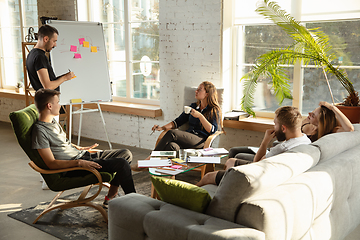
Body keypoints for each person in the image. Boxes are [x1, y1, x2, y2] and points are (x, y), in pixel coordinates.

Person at [32, 89, 135, 206]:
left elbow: (62, 143)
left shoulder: (52, 123)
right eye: (58, 102)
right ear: (49, 106)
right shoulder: (40, 131)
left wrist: (80, 148)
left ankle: (111, 194)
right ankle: (135, 204)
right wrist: (79, 162)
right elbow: (51, 163)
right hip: (74, 167)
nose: (60, 105)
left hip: (82, 157)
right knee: (121, 164)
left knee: (126, 153)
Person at [196, 106, 311, 187]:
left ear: (283, 128)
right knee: (230, 161)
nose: (273, 126)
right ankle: (226, 185)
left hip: (255, 178)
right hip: (269, 174)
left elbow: (256, 164)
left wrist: (265, 141)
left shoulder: (281, 149)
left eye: (275, 124)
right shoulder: (305, 139)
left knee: (208, 177)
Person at [226, 101, 355, 162]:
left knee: (236, 155)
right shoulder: (307, 124)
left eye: (314, 115)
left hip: (280, 151)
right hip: (278, 148)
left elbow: (349, 129)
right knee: (234, 151)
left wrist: (332, 108)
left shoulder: (327, 133)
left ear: (322, 122)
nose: (309, 114)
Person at [26, 25, 75, 91]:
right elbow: (47, 86)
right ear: (46, 39)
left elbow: (47, 81)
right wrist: (65, 78)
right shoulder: (40, 57)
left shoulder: (32, 53)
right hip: (46, 100)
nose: (55, 45)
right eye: (54, 41)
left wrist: (65, 76)